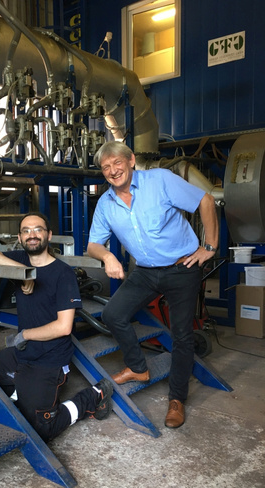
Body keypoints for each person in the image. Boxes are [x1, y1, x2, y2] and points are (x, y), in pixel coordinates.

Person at [87, 141, 218, 429]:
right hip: (145, 271)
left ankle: (177, 399)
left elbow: (205, 200)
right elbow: (93, 244)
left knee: (182, 335)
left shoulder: (159, 180)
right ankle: (138, 368)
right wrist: (107, 256)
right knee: (113, 314)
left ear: (131, 160)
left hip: (182, 268)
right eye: (106, 167)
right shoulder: (106, 203)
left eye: (117, 163)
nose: (112, 170)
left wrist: (209, 246)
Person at [0, 211, 113, 442]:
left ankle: (93, 396)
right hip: (24, 355)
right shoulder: (20, 260)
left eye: (38, 229)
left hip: (49, 360)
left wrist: (25, 335)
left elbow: (63, 327)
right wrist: (24, 275)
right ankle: (24, 395)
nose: (32, 235)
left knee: (42, 429)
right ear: (19, 238)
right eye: (26, 231)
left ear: (48, 235)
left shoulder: (63, 274)